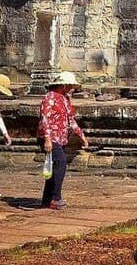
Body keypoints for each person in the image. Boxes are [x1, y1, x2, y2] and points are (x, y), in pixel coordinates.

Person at [37, 71, 88, 210]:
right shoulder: (49, 97)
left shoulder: (64, 99)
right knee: (61, 162)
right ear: (64, 85)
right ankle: (55, 197)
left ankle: (47, 199)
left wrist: (81, 135)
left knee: (54, 166)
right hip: (49, 137)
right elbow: (45, 119)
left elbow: (70, 120)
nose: (72, 88)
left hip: (60, 138)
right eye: (70, 85)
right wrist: (47, 139)